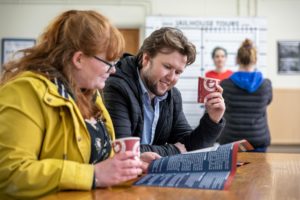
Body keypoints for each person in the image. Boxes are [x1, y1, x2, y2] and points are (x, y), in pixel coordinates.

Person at [0, 10, 158, 199]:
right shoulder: (25, 91)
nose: (113, 69)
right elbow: (11, 174)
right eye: (108, 61)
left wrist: (129, 164)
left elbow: (95, 158)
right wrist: (95, 175)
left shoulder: (90, 94)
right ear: (79, 59)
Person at [103, 27, 226, 157]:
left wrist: (213, 119)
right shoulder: (116, 86)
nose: (172, 78)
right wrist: (175, 150)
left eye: (178, 72)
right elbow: (122, 150)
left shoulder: (172, 95)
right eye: (167, 67)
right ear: (146, 59)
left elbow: (189, 146)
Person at [218, 39, 272, 152]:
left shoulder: (225, 85)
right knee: (258, 170)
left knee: (232, 170)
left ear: (237, 59)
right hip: (258, 138)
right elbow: (267, 104)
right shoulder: (266, 85)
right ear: (255, 60)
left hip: (230, 140)